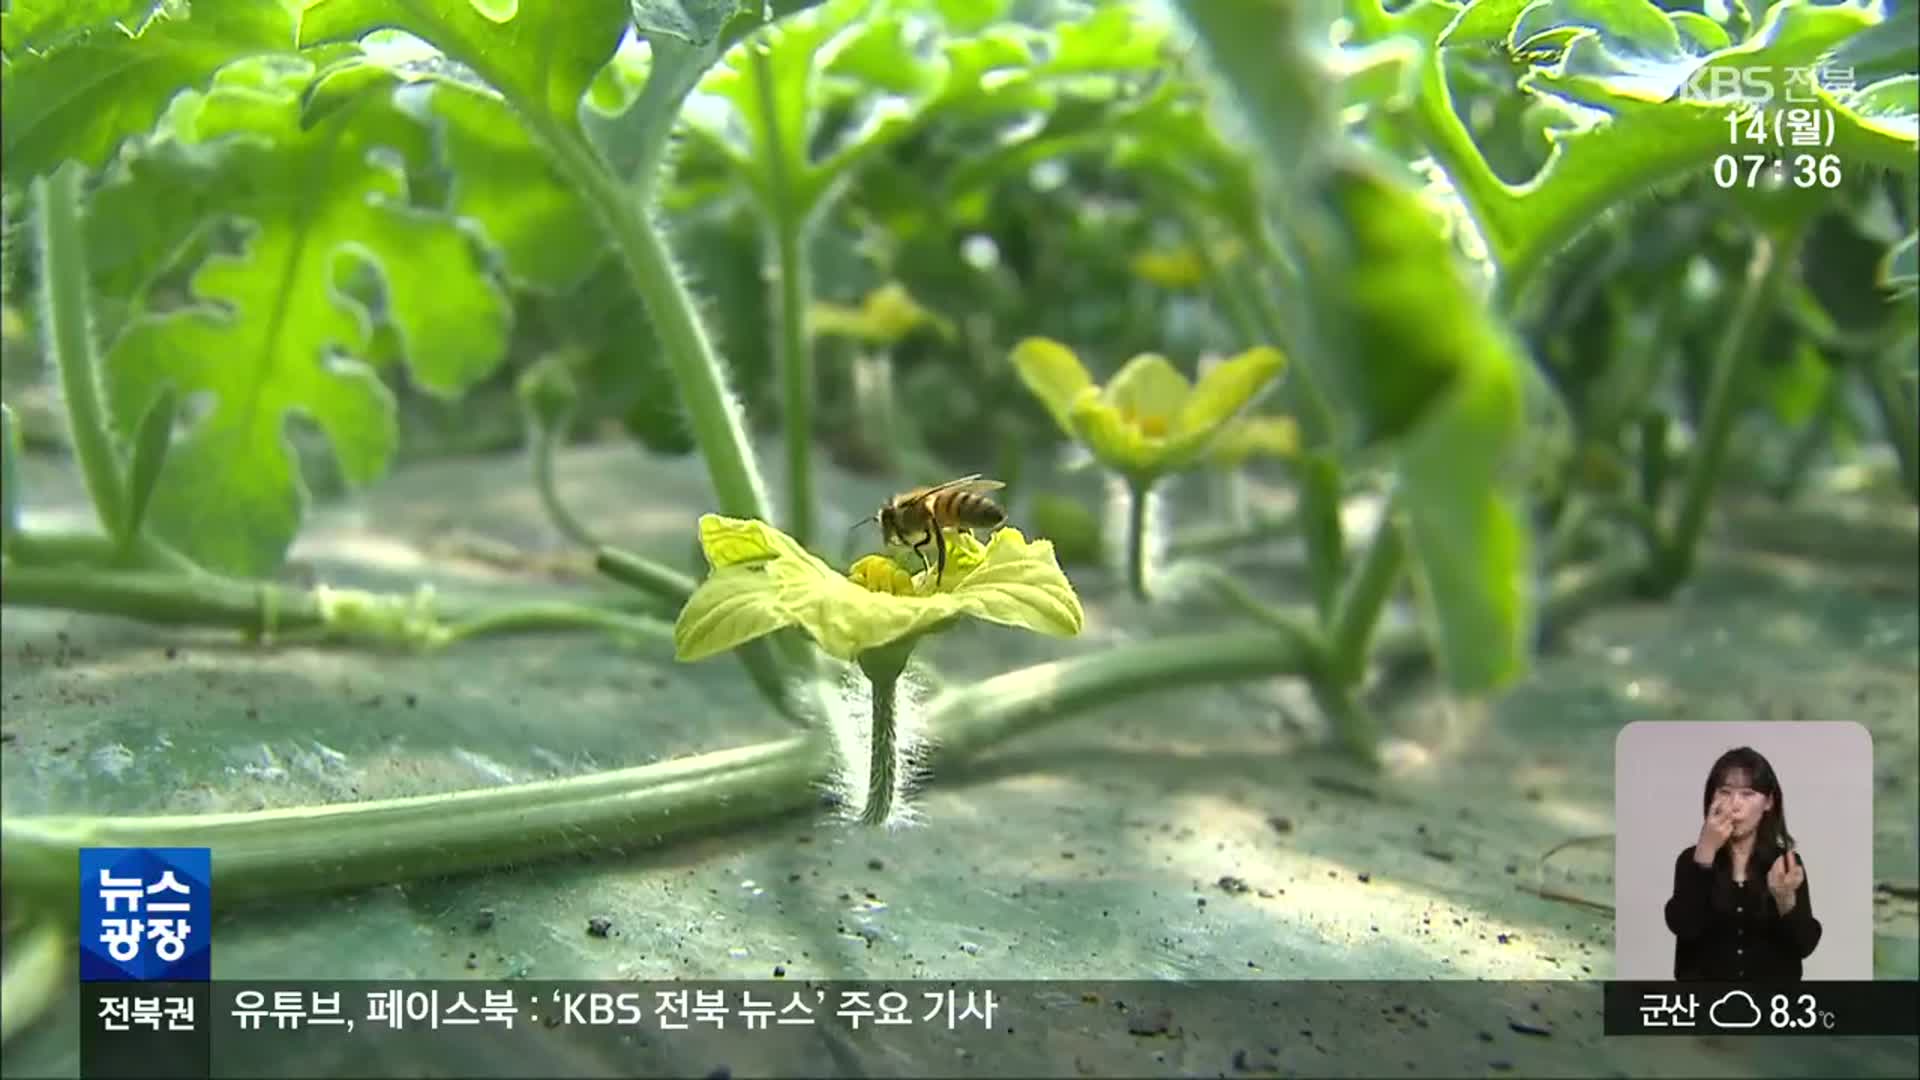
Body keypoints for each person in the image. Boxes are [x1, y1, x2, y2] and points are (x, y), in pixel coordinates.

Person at [1663, 746, 1822, 980]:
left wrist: (1785, 899)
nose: (1734, 804)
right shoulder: (1691, 860)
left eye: (1747, 794)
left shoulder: (1785, 863)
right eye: (1725, 792)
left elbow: (1803, 946)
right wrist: (1705, 851)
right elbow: (1685, 926)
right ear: (1711, 799)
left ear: (1768, 802)